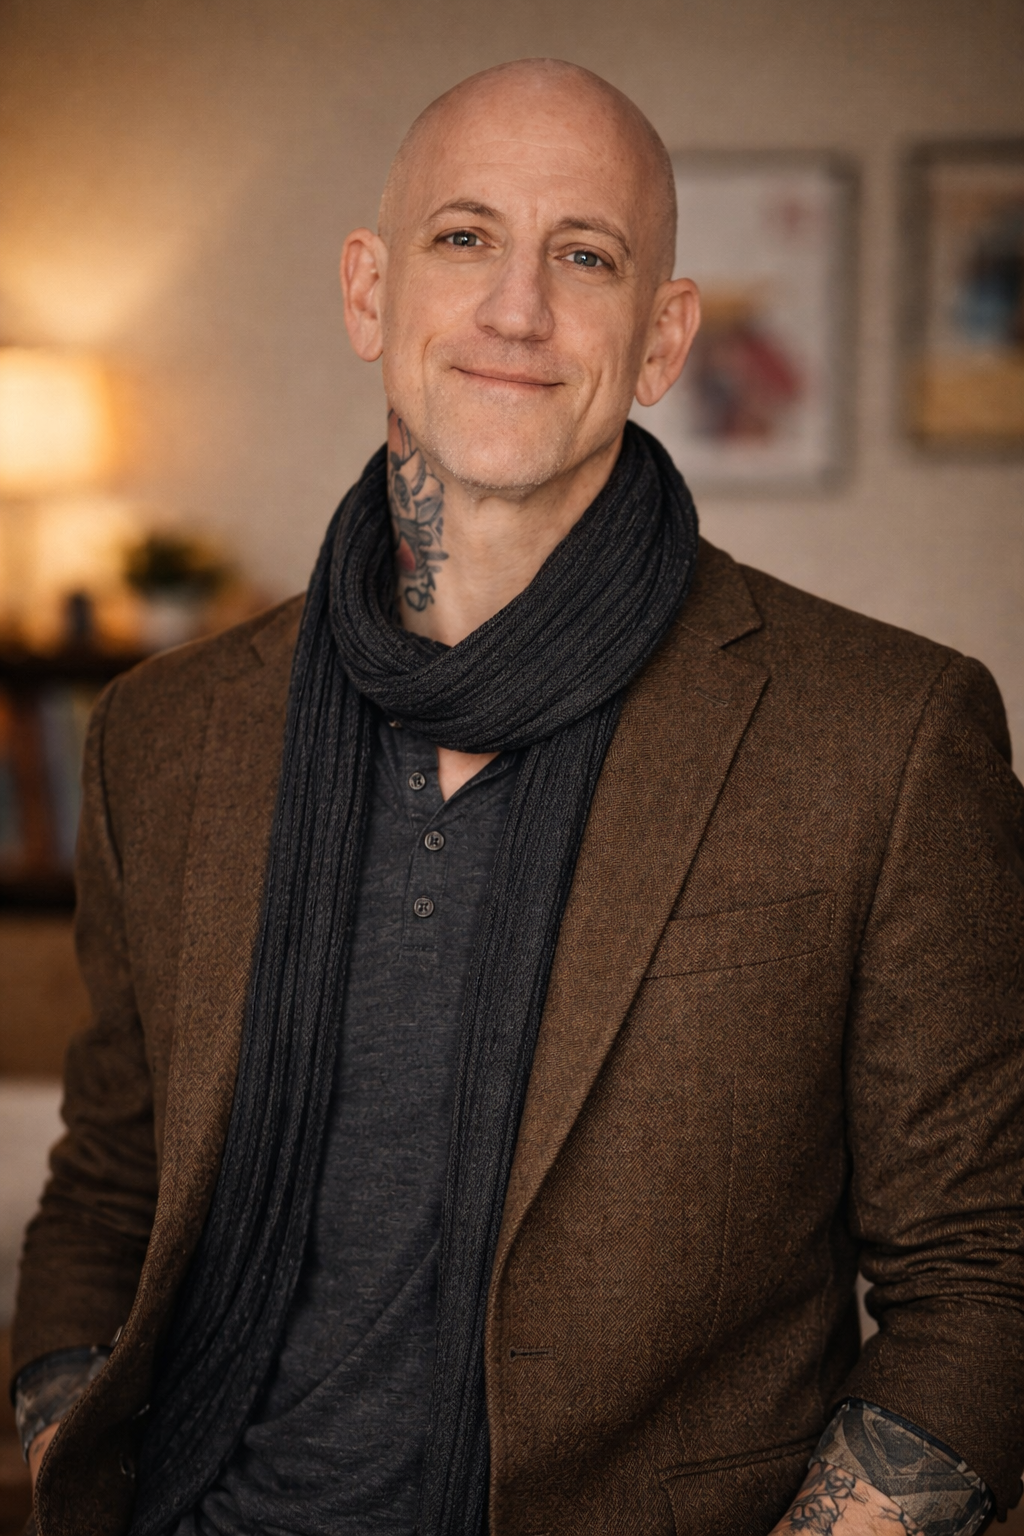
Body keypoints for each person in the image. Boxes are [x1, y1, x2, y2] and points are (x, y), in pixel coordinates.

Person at [10, 58, 1023, 1536]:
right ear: (369, 292)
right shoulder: (164, 733)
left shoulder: (888, 734)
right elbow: (111, 1178)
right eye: (464, 236)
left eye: (586, 256)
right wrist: (66, 1449)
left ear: (664, 336)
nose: (518, 308)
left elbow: (985, 1273)